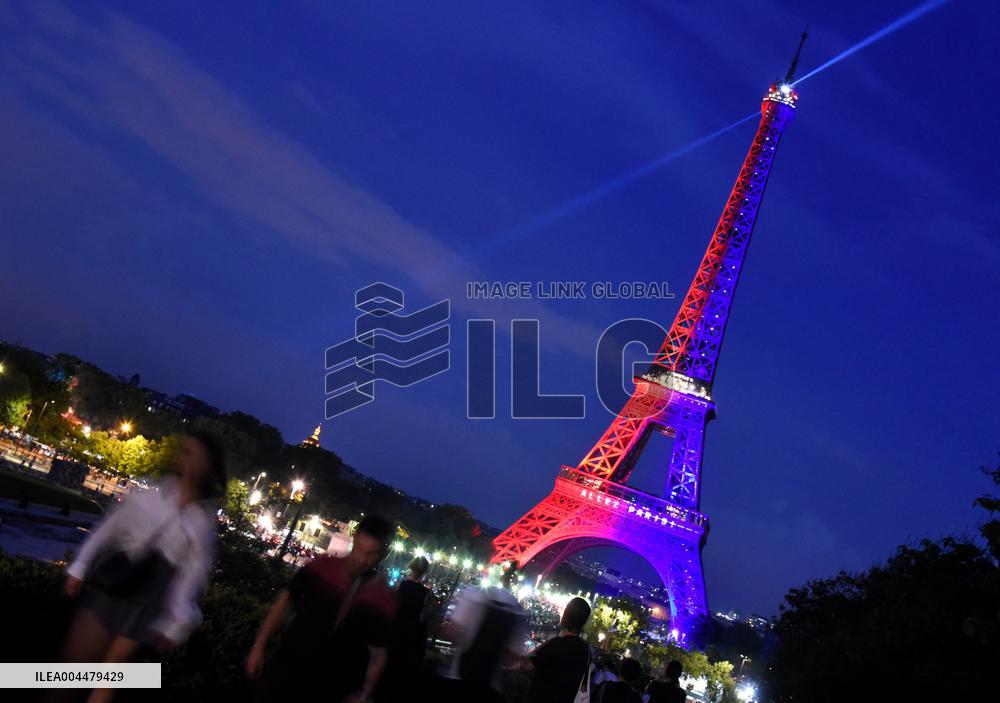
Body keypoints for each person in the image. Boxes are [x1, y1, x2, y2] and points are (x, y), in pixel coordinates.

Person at [57, 431, 226, 703]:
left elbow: (192, 577)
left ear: (209, 467)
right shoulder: (153, 497)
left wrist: (176, 624)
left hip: (151, 600)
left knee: (108, 677)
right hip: (117, 583)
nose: (185, 458)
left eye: (192, 453)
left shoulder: (202, 522)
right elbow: (110, 529)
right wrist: (81, 566)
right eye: (184, 451)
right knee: (76, 665)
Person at [247, 514, 397, 703]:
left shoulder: (382, 598)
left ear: (385, 553)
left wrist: (365, 692)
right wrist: (259, 645)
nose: (361, 559)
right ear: (355, 538)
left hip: (332, 689)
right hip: (286, 671)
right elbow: (285, 602)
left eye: (370, 554)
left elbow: (379, 651)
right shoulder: (321, 568)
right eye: (359, 549)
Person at [438, 566, 528, 703]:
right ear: (516, 584)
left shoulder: (474, 595)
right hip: (489, 687)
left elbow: (449, 632)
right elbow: (511, 659)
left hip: (460, 676)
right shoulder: (518, 612)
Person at [377, 556, 432, 701]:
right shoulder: (426, 593)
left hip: (395, 628)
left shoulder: (402, 585)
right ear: (425, 571)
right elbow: (424, 617)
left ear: (411, 568)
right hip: (411, 633)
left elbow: (392, 606)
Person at [524, 596, 592, 703]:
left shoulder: (556, 644)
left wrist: (548, 643)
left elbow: (527, 664)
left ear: (566, 615)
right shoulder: (586, 651)